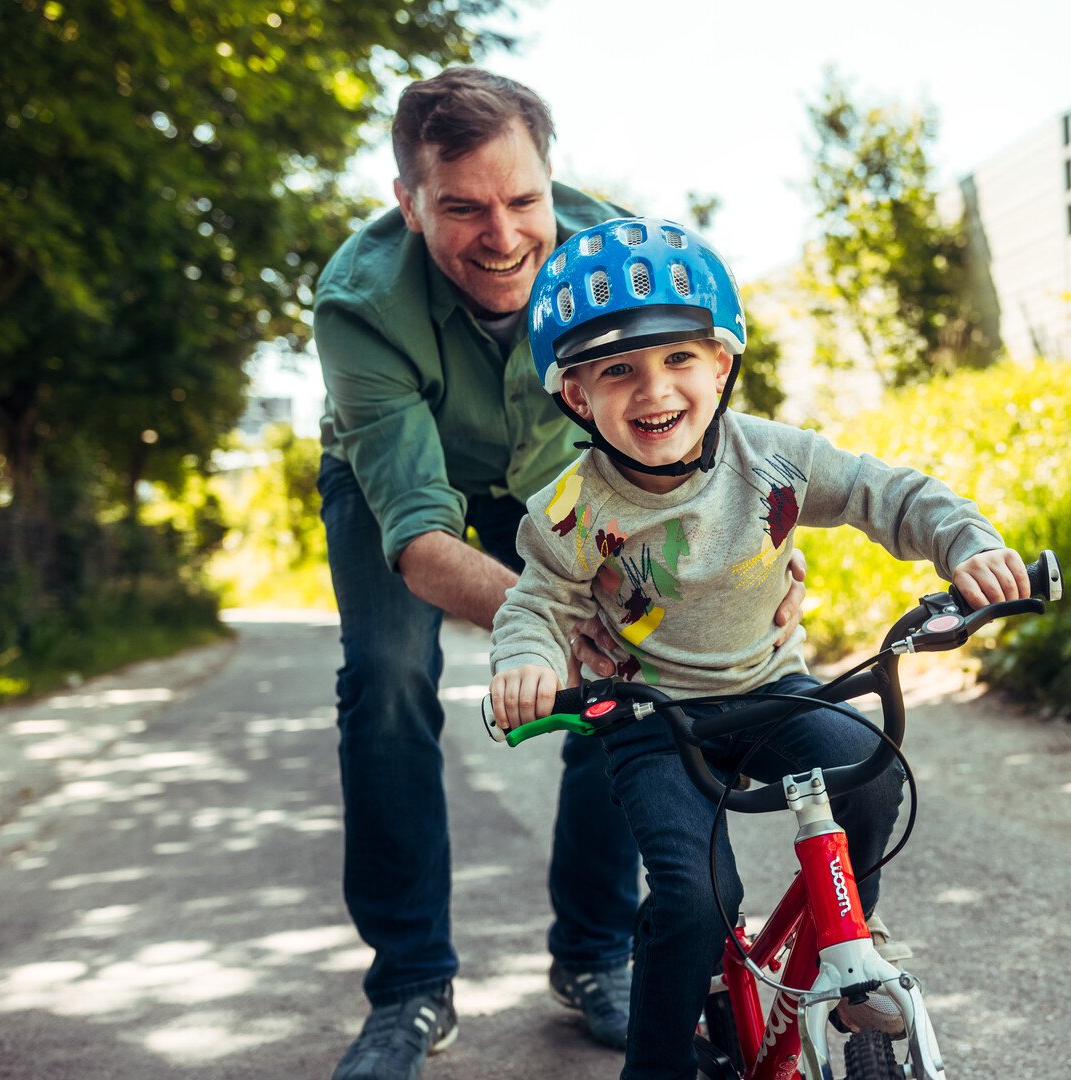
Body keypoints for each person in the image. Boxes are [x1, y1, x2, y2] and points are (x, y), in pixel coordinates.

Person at [311, 70, 807, 1080]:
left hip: (565, 470)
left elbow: (700, 441)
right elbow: (418, 540)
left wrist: (737, 574)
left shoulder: (614, 253)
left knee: (625, 678)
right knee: (386, 681)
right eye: (462, 208)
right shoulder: (359, 305)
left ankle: (593, 956)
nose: (503, 236)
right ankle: (409, 986)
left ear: (550, 179)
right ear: (408, 203)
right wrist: (557, 622)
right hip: (402, 488)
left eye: (522, 200)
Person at [487, 216, 1029, 1080]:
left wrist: (965, 545)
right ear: (576, 397)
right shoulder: (571, 508)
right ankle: (657, 1064)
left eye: (678, 360)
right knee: (699, 902)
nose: (652, 388)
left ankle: (853, 938)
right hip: (653, 717)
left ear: (723, 364)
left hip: (773, 686)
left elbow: (884, 492)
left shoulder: (770, 459)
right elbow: (538, 601)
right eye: (617, 369)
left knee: (874, 765)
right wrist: (528, 663)